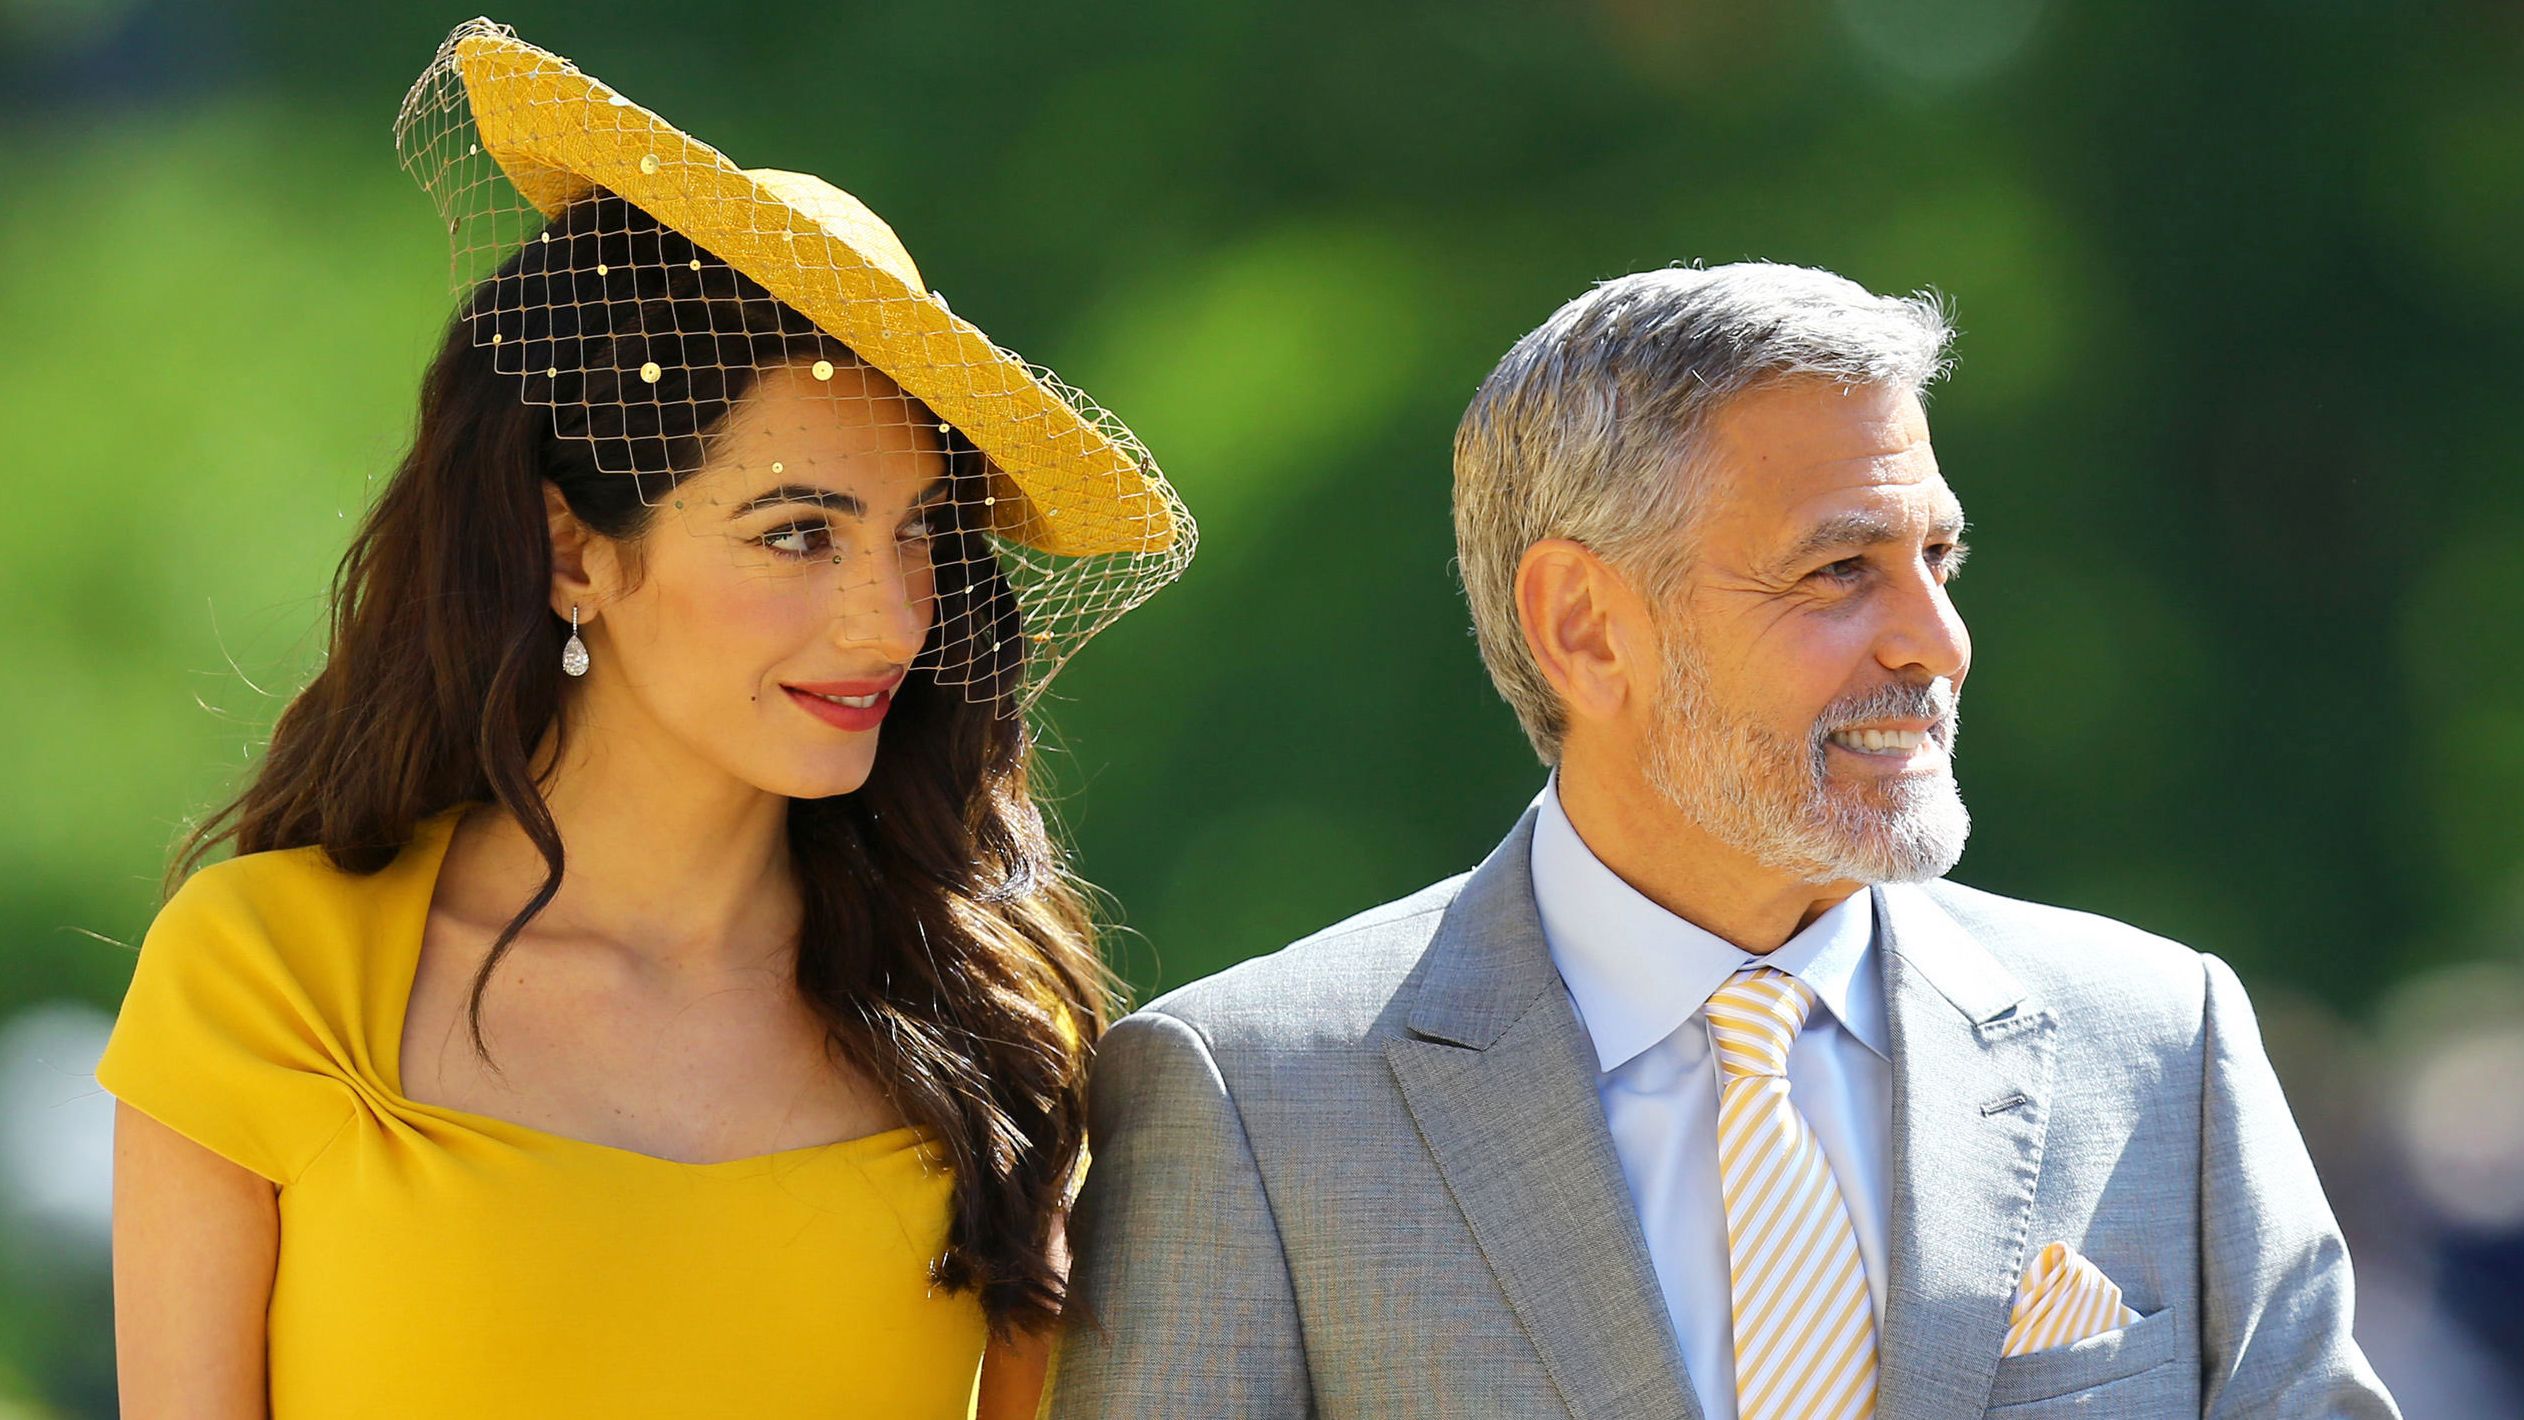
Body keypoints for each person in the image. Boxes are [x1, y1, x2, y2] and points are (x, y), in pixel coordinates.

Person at [1050, 262, 2397, 1418]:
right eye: (1839, 570)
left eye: (1942, 559)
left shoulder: (2165, 1039)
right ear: (1582, 623)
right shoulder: (1252, 1100)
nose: (1937, 641)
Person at [98, 19, 1190, 1419]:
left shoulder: (986, 1023)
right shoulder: (268, 979)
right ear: (572, 554)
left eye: (920, 535)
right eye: (799, 534)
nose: (891, 619)